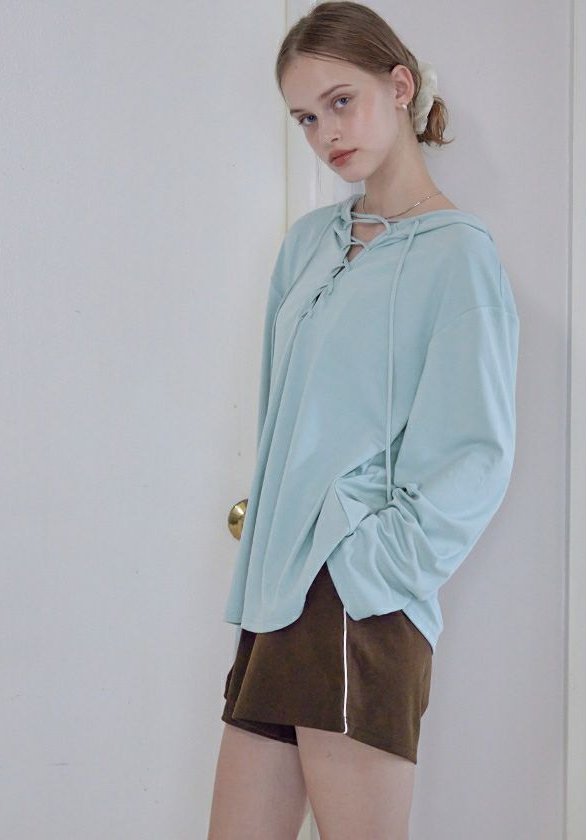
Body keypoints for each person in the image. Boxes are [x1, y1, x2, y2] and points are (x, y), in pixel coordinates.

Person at [207, 2, 520, 838]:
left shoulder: (459, 255)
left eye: (340, 102)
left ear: (400, 86)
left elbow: (477, 457)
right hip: (276, 597)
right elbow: (279, 418)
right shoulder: (308, 244)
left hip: (358, 600)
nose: (326, 133)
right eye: (306, 118)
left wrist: (364, 563)